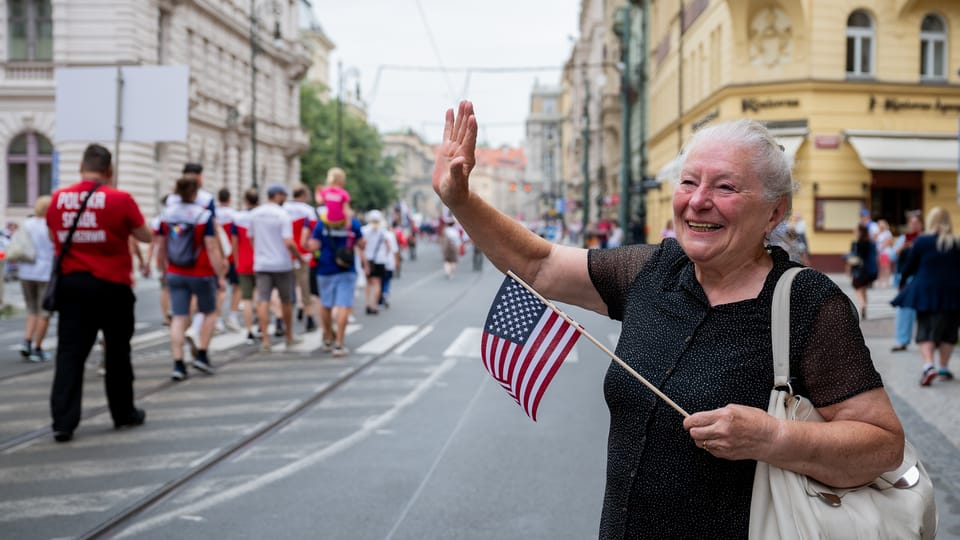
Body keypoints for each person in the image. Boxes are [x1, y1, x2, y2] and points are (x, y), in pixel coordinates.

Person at [433, 103, 904, 538]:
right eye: (688, 182)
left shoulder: (805, 302)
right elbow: (537, 266)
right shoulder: (654, 271)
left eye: (725, 186)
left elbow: (882, 445)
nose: (698, 200)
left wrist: (772, 436)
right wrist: (461, 200)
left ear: (774, 211)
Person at [46, 144, 152, 443]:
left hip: (72, 285)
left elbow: (54, 234)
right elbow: (145, 235)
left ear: (81, 168)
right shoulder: (120, 199)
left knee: (70, 353)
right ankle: (123, 412)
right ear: (109, 171)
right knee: (117, 351)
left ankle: (63, 422)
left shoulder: (58, 200)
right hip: (113, 285)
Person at [157, 176, 225, 381]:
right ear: (196, 192)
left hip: (175, 272)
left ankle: (178, 363)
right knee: (209, 312)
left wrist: (162, 268)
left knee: (178, 317)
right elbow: (211, 246)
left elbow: (162, 245)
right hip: (201, 272)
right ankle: (202, 355)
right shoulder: (203, 215)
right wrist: (219, 273)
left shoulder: (167, 214)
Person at [891, 207, 960, 386]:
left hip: (927, 291)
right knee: (949, 331)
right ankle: (943, 368)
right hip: (953, 292)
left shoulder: (922, 241)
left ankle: (929, 366)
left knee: (925, 329)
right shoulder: (957, 242)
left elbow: (910, 265)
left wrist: (903, 280)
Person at [249, 184, 302, 352]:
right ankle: (289, 336)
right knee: (286, 300)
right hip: (281, 263)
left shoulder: (255, 213)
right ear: (278, 196)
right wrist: (299, 256)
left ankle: (265, 339)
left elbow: (251, 237)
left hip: (262, 262)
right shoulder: (283, 214)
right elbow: (288, 241)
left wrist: (259, 252)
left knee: (263, 300)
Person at [308, 206, 366, 357]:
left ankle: (328, 338)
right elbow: (362, 244)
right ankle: (339, 344)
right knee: (344, 306)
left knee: (325, 304)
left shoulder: (322, 223)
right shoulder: (352, 223)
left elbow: (313, 245)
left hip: (325, 268)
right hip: (347, 269)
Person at [17, 196, 55, 362]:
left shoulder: (27, 224)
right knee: (44, 311)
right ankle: (37, 347)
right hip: (45, 272)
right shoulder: (51, 225)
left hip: (26, 271)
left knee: (31, 308)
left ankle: (26, 341)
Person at [283, 184, 318, 332]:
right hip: (303, 254)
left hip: (285, 253)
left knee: (287, 288)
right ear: (304, 195)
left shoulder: (283, 208)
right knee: (305, 287)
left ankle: (284, 318)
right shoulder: (309, 211)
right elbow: (314, 232)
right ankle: (309, 316)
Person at [890, 211, 923, 352]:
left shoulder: (924, 238)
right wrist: (901, 248)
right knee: (904, 310)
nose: (914, 225)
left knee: (924, 311)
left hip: (921, 279)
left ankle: (927, 341)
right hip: (905, 279)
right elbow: (891, 256)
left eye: (916, 223)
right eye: (912, 223)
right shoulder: (903, 239)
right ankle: (902, 341)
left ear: (921, 224)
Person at [232, 188, 259, 344]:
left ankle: (249, 330)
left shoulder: (238, 218)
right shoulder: (260, 216)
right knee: (260, 296)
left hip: (243, 260)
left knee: (246, 298)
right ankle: (261, 326)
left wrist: (236, 260)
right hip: (260, 260)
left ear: (245, 200)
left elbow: (234, 243)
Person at [216, 188, 242, 332]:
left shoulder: (213, 215)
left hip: (218, 256)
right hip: (232, 256)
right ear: (230, 199)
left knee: (220, 289)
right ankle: (232, 316)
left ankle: (218, 319)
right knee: (237, 287)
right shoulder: (234, 215)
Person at [361, 209, 392, 315]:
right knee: (378, 283)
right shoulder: (383, 231)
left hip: (368, 259)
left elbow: (361, 246)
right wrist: (385, 255)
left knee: (368, 283)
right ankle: (375, 306)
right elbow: (388, 246)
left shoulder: (364, 230)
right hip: (380, 260)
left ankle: (367, 304)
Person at [848, 223, 878, 319]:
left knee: (857, 288)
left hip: (859, 270)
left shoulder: (856, 243)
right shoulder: (871, 243)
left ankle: (862, 305)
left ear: (859, 232)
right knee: (864, 289)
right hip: (869, 271)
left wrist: (848, 268)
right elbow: (875, 256)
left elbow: (852, 258)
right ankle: (865, 306)